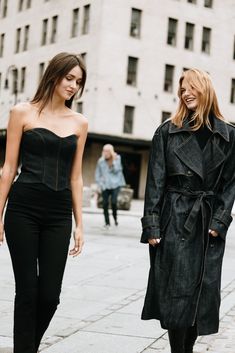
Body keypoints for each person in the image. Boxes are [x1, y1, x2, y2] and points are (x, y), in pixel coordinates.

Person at [140, 68, 235, 353]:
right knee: (176, 294)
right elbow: (155, 181)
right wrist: (152, 226)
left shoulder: (229, 135)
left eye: (191, 87)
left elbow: (231, 182)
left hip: (207, 223)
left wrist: (220, 220)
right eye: (182, 89)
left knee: (201, 294)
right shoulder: (167, 132)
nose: (186, 93)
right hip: (175, 219)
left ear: (205, 89)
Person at [0, 52, 88, 353]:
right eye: (69, 78)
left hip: (59, 213)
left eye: (78, 82)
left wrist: (79, 224)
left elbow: (76, 176)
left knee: (50, 294)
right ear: (54, 75)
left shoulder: (80, 122)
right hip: (23, 208)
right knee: (27, 291)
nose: (74, 86)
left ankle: (27, 347)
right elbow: (8, 168)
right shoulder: (21, 113)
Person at [95, 144, 125, 229]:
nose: (105, 152)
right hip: (105, 185)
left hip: (116, 184)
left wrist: (113, 161)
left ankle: (115, 218)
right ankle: (107, 223)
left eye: (107, 151)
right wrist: (99, 184)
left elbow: (118, 170)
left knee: (114, 202)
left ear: (111, 151)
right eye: (104, 150)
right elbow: (97, 173)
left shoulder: (117, 158)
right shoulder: (100, 161)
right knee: (104, 204)